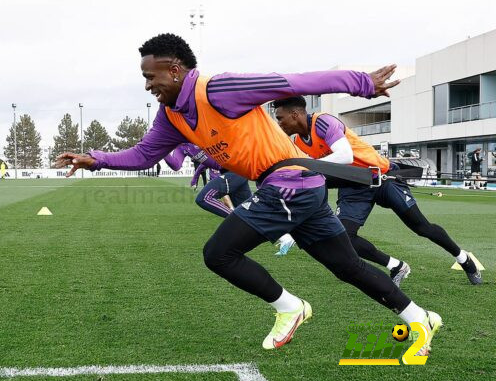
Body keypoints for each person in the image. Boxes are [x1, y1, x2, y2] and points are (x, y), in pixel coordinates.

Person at [55, 33, 441, 354]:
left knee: (218, 253)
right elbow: (144, 154)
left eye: (150, 76)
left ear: (174, 70)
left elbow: (291, 83)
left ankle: (291, 307)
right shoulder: (172, 114)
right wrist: (96, 158)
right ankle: (418, 318)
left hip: (289, 183)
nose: (147, 85)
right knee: (348, 267)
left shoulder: (219, 89)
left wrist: (361, 83)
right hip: (300, 188)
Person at [273, 96, 482, 285]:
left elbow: (344, 155)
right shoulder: (299, 141)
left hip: (383, 178)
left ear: (296, 114)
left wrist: (308, 167)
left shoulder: (323, 122)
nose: (279, 124)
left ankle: (463, 258)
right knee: (345, 237)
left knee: (421, 227)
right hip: (353, 187)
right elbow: (320, 174)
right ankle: (396, 266)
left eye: (281, 118)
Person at [164, 143, 252, 217]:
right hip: (231, 172)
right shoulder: (181, 147)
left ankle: (236, 219)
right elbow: (176, 165)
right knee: (248, 212)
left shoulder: (198, 131)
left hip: (236, 166)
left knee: (204, 198)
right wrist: (162, 150)